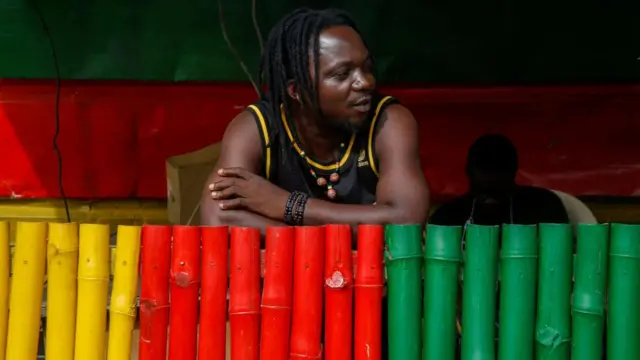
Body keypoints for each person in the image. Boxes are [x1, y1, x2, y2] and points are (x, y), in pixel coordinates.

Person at [200, 8, 429, 233]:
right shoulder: (256, 129)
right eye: (342, 74)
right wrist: (314, 241)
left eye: (367, 68)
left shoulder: (389, 121)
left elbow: (406, 220)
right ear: (296, 91)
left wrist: (288, 206)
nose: (365, 82)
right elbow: (218, 218)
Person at [429, 133, 569, 226]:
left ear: (513, 172)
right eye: (485, 170)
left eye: (497, 170)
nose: (491, 178)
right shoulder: (447, 217)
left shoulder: (545, 206)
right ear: (469, 172)